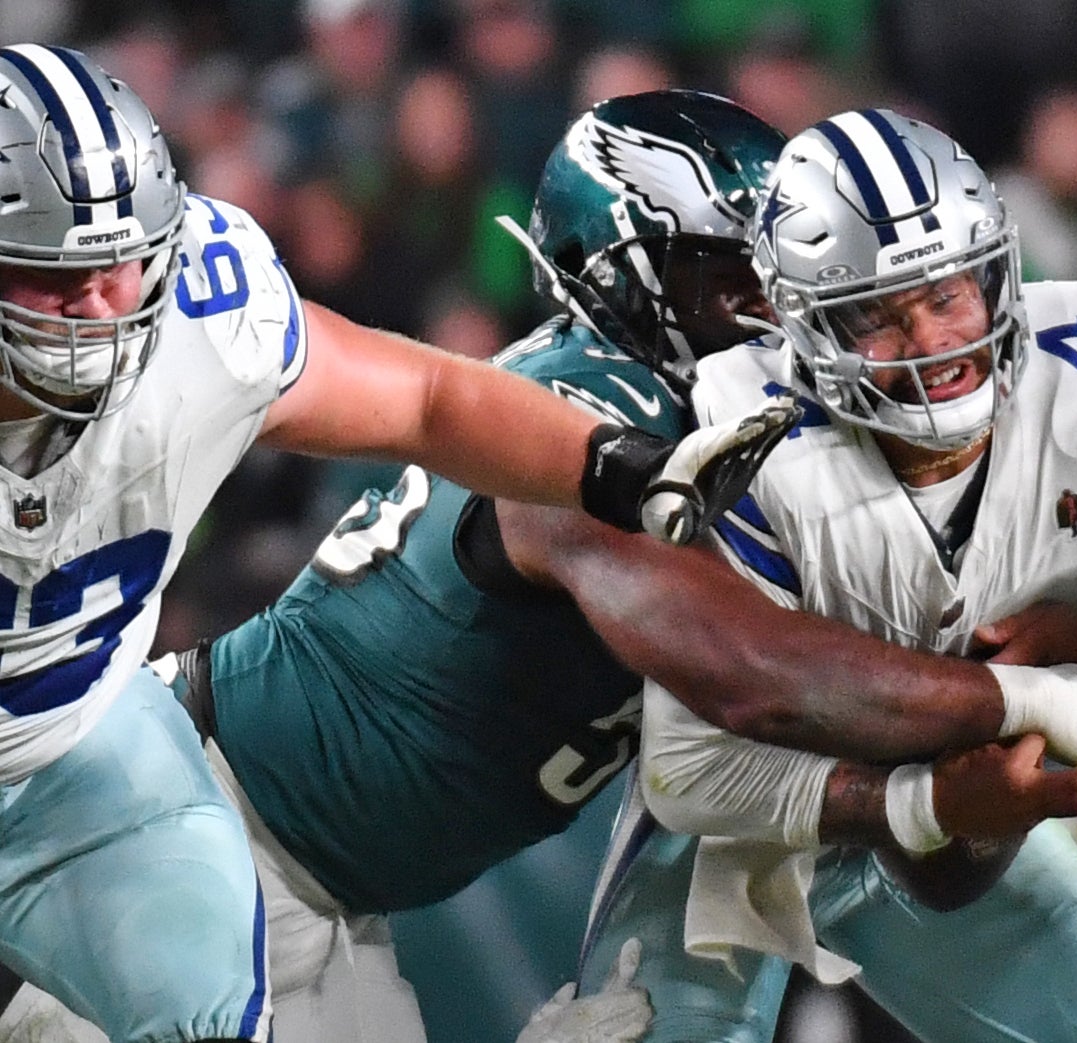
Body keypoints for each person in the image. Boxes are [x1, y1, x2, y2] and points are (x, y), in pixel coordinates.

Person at [0, 90, 1077, 1043]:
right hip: (197, 827)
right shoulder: (585, 414)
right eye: (734, 282)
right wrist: (1014, 696)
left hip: (324, 886)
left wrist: (966, 775)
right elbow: (752, 673)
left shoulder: (767, 451)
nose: (776, 314)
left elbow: (879, 798)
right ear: (619, 273)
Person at [0, 47, 801, 1043]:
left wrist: (621, 469)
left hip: (95, 747)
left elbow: (425, 398)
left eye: (119, 266)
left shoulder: (202, 310)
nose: (99, 309)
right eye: (54, 278)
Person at [575, 107, 1077, 1043]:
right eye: (876, 315)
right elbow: (691, 769)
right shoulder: (741, 428)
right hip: (747, 837)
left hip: (962, 829)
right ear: (802, 325)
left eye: (946, 294)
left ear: (995, 275)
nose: (931, 341)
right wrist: (925, 800)